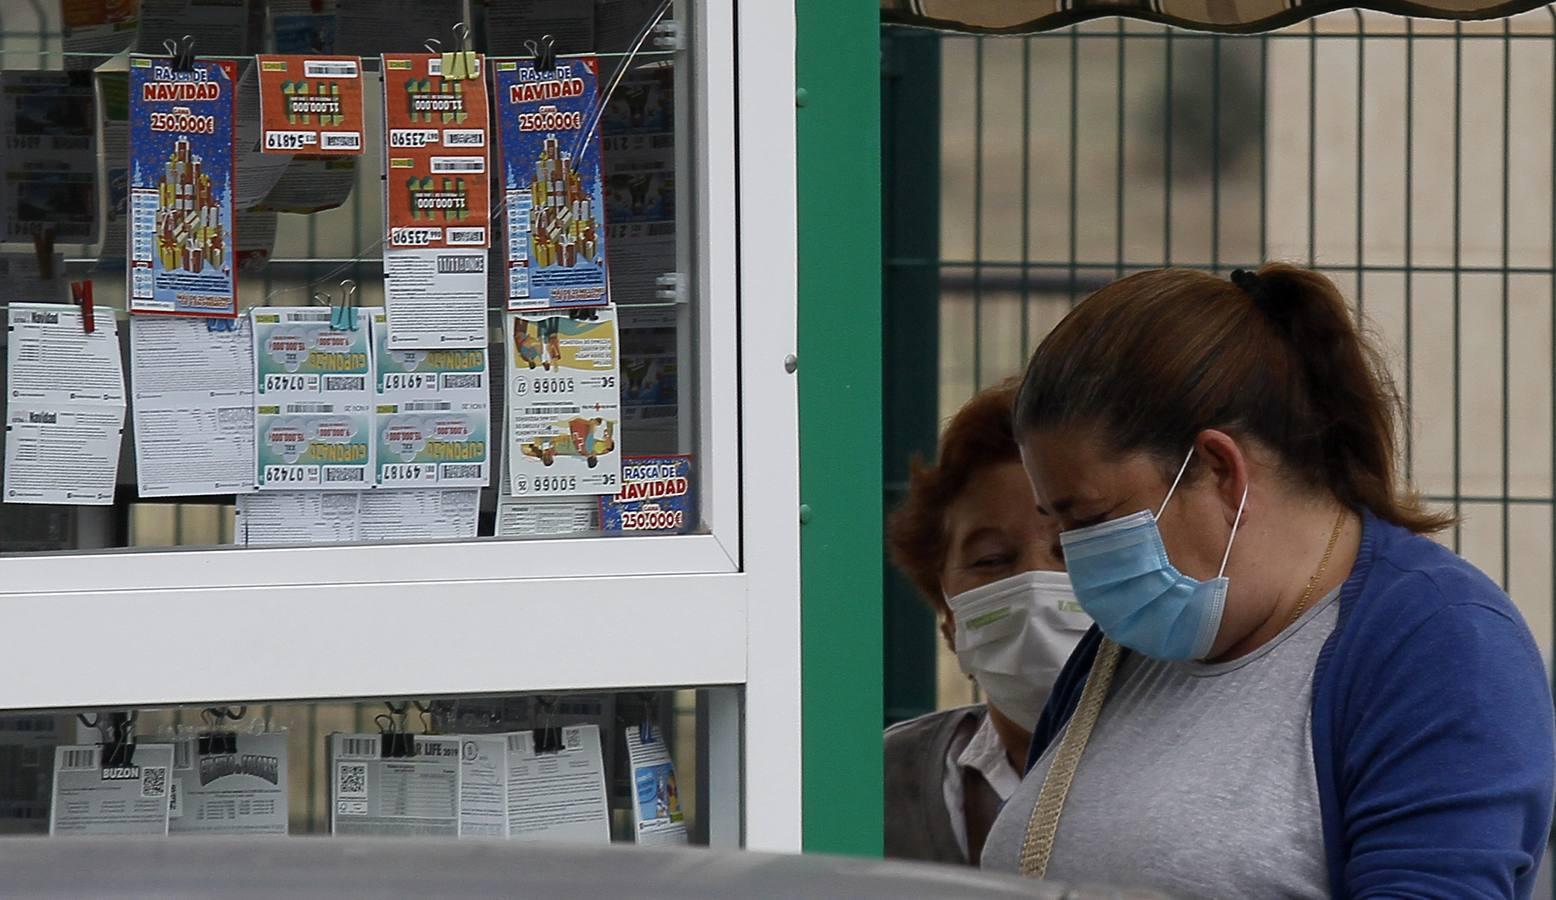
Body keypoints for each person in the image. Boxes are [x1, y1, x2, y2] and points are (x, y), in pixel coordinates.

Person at [979, 264, 1556, 899]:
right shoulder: (1125, 650)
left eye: (1091, 520)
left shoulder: (1439, 642)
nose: (1078, 560)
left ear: (1221, 470)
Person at [884, 381, 1091, 866]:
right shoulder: (880, 782)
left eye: (1069, 550)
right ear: (950, 619)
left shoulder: (1211, 777)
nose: (1037, 581)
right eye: (991, 559)